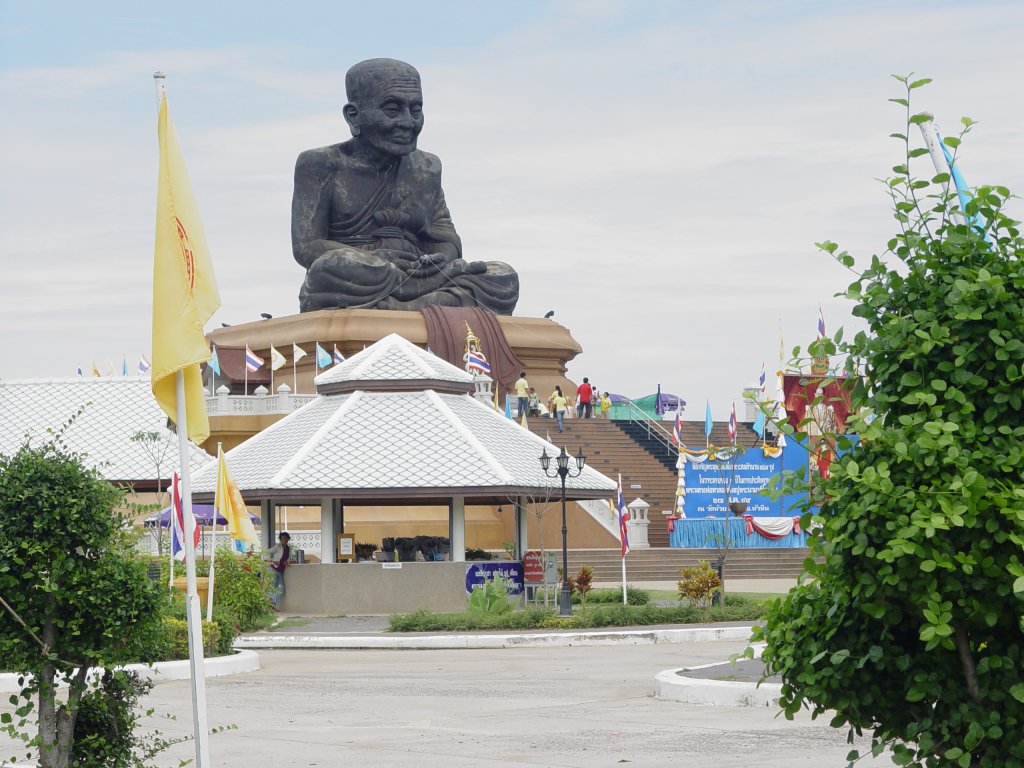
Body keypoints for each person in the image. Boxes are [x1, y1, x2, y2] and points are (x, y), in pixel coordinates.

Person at [292, 58, 520, 313]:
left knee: (503, 277)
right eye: (392, 110)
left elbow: (446, 238)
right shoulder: (321, 163)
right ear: (353, 116)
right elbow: (307, 247)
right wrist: (376, 258)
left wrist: (436, 262)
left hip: (422, 274)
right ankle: (429, 305)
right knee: (333, 266)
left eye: (416, 109)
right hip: (366, 274)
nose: (408, 121)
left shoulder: (427, 167)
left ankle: (404, 307)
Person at [267, 532, 291, 610]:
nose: (285, 540)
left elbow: (284, 558)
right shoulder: (278, 547)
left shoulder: (287, 548)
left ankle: (271, 605)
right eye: (283, 538)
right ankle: (270, 606)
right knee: (272, 588)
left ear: (288, 539)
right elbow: (266, 552)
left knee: (281, 589)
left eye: (286, 538)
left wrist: (286, 562)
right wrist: (272, 561)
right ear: (280, 539)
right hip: (273, 569)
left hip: (280, 571)